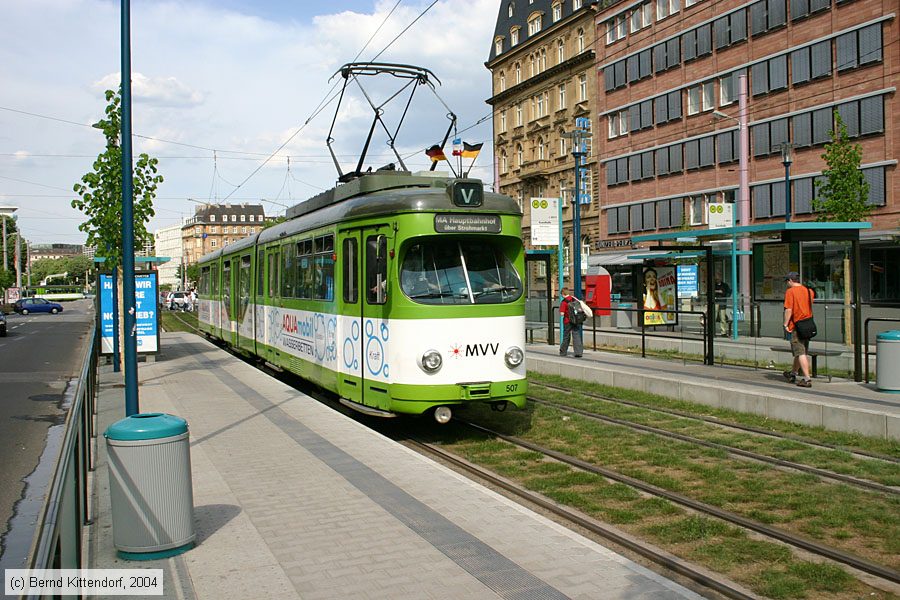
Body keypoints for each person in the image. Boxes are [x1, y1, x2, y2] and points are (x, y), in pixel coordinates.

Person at [782, 271, 815, 388]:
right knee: (801, 350)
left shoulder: (790, 292)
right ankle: (793, 373)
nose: (787, 284)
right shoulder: (809, 291)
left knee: (800, 352)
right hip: (808, 324)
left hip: (797, 325)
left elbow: (789, 309)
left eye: (787, 281)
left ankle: (807, 379)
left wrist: (785, 324)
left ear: (791, 280)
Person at [559, 287, 583, 358]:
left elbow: (562, 313)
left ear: (563, 294)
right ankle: (578, 352)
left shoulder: (564, 302)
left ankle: (563, 352)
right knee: (576, 335)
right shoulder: (574, 299)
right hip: (576, 320)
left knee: (566, 336)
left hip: (567, 321)